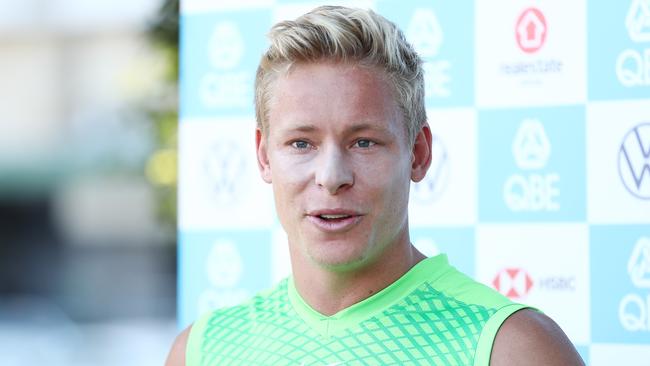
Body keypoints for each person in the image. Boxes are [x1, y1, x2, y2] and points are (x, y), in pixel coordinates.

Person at [167, 6, 584, 365]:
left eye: (363, 142)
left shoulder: (512, 349)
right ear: (264, 156)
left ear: (418, 153)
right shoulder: (203, 350)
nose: (332, 177)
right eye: (301, 143)